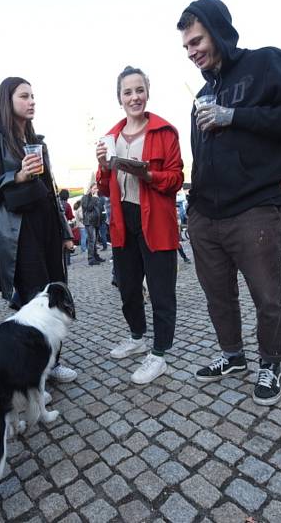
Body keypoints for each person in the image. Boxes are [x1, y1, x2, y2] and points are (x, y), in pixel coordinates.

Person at [177, 0, 281, 406]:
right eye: (186, 46)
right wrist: (195, 211)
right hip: (207, 214)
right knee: (217, 295)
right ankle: (233, 355)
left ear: (219, 29)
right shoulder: (201, 94)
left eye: (197, 40)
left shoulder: (267, 63)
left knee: (266, 295)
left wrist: (234, 116)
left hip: (256, 205)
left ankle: (271, 362)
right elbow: (200, 154)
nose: (192, 52)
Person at [0, 76, 77, 383]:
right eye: (24, 96)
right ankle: (35, 367)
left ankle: (52, 362)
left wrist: (65, 231)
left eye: (33, 96)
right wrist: (15, 176)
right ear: (8, 100)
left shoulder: (38, 142)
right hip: (19, 230)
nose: (32, 101)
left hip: (46, 226)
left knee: (55, 293)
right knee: (36, 299)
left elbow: (50, 189)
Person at [95, 65, 184, 385]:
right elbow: (105, 188)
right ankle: (137, 337)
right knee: (129, 289)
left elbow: (176, 179)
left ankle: (159, 355)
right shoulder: (111, 137)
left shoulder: (164, 132)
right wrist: (103, 167)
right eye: (127, 92)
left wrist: (149, 175)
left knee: (161, 293)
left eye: (139, 90)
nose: (134, 97)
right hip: (123, 222)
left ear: (148, 91)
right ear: (119, 98)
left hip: (156, 221)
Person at [81, 184, 105, 265]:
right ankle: (91, 259)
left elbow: (101, 209)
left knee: (95, 241)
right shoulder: (85, 197)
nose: (96, 190)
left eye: (97, 188)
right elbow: (88, 208)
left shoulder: (98, 198)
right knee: (92, 240)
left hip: (97, 222)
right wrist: (94, 198)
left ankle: (95, 256)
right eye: (94, 188)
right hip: (89, 222)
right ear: (90, 189)